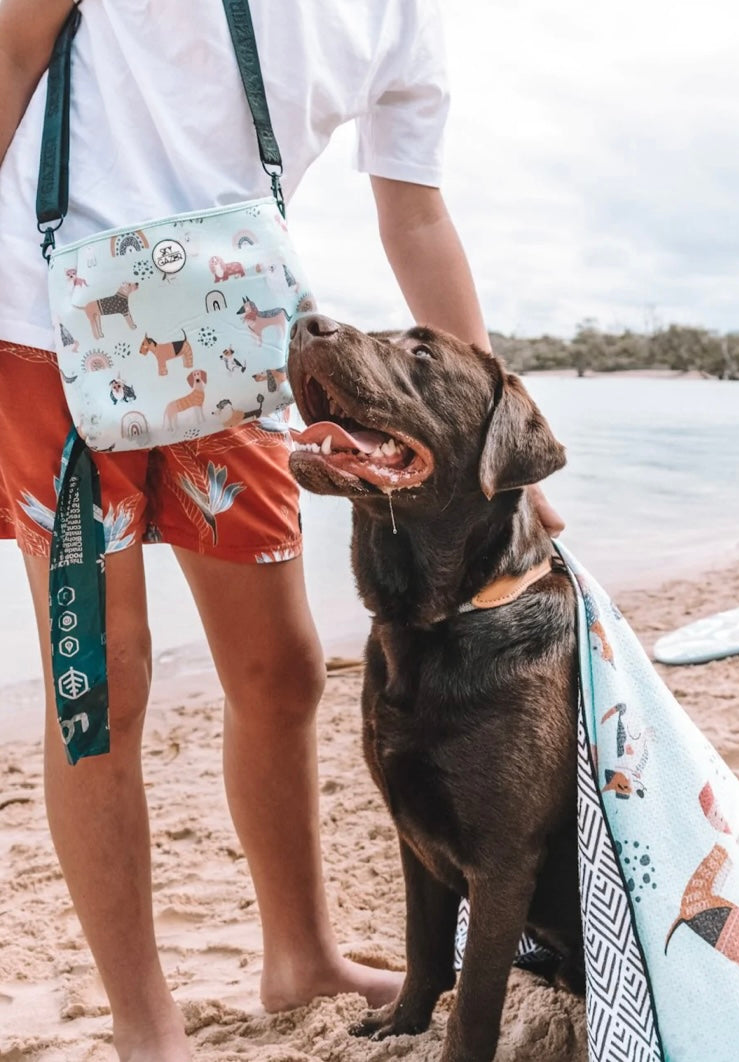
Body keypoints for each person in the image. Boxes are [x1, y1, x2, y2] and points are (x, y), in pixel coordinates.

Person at [0, 2, 563, 1060]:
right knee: (101, 683)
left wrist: (489, 438)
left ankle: (297, 953)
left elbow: (417, 217)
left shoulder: (401, 21)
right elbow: (16, 41)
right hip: (49, 319)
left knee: (282, 669)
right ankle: (142, 1023)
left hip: (229, 333)